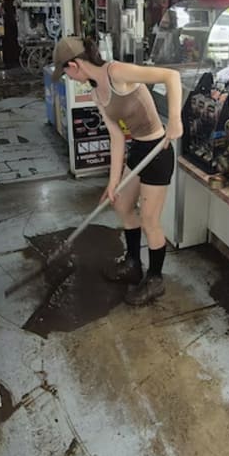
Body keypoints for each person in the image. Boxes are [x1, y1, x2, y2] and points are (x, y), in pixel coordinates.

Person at [52, 36, 183, 305]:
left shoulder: (117, 72)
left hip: (158, 151)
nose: (66, 77)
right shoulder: (95, 93)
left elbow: (171, 76)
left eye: (64, 71)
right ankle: (134, 264)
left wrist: (176, 120)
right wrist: (112, 183)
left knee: (149, 220)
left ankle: (155, 279)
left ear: (75, 65)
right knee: (122, 205)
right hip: (137, 151)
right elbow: (116, 138)